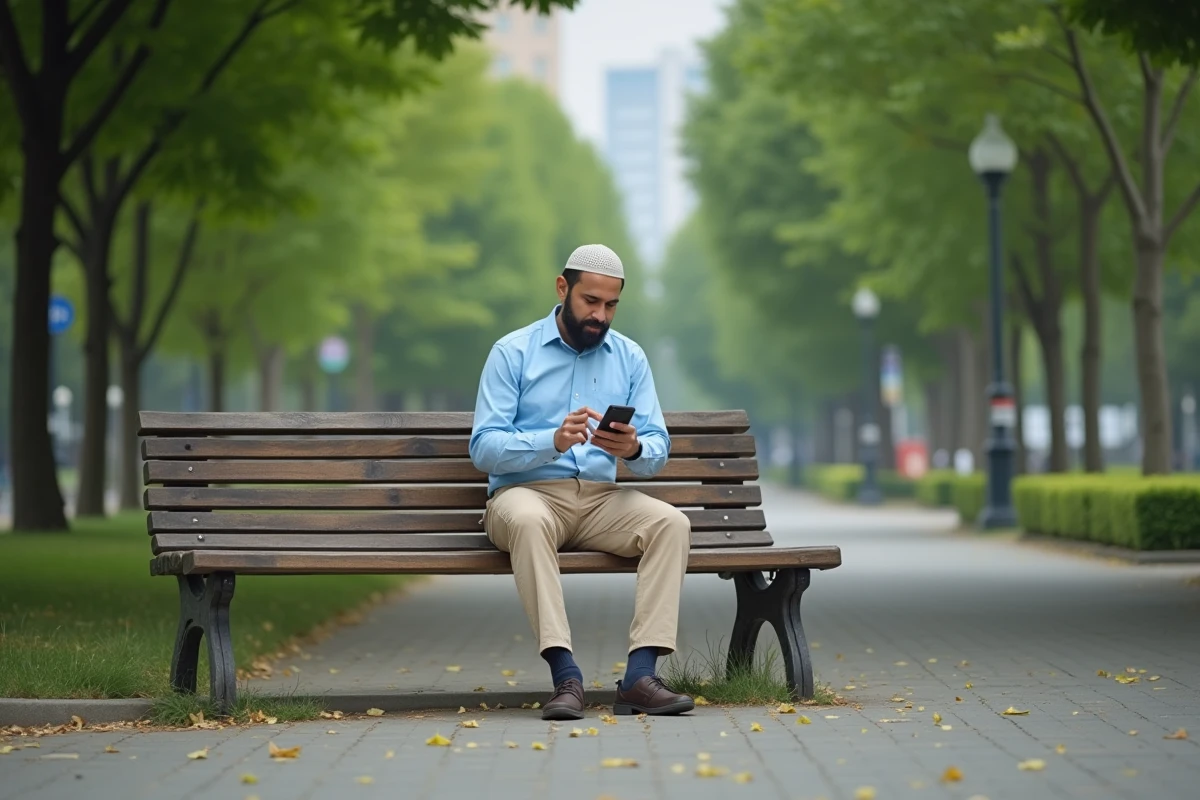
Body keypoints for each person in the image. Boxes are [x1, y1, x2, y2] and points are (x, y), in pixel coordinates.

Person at [469, 244, 695, 721]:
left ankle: (640, 676)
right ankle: (565, 676)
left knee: (671, 524)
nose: (600, 315)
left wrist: (633, 449)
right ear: (562, 288)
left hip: (599, 500)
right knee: (529, 521)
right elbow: (483, 447)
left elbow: (657, 447)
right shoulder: (512, 352)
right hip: (522, 496)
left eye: (611, 305)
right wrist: (550, 440)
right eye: (590, 301)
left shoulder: (629, 357)